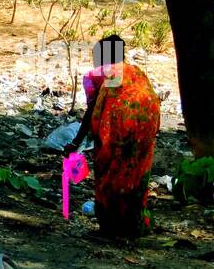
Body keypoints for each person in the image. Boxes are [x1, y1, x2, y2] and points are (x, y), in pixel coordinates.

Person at [65, 34, 161, 238]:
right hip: (144, 132)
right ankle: (134, 225)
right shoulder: (137, 73)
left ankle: (110, 228)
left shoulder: (104, 74)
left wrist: (76, 142)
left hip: (118, 134)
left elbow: (92, 110)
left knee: (111, 177)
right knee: (135, 177)